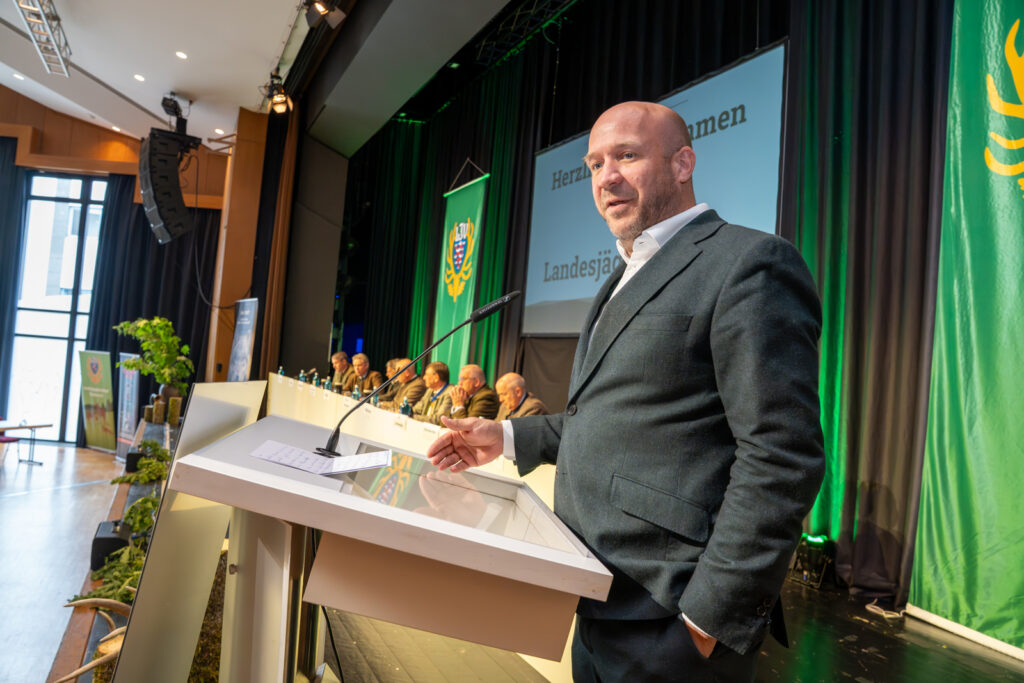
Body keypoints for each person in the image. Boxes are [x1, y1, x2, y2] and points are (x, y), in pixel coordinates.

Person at [427, 101, 824, 682]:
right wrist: (505, 436)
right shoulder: (623, 274)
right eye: (594, 164)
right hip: (596, 596)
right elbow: (610, 416)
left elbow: (782, 455)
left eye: (627, 156)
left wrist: (706, 622)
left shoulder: (749, 262)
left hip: (669, 616)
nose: (605, 177)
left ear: (683, 164)